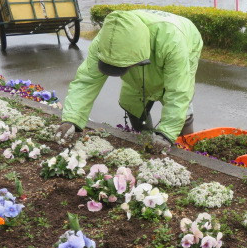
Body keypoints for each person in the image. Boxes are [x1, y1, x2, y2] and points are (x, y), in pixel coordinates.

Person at [56, 9, 203, 151]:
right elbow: (86, 81)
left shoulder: (173, 42)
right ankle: (145, 135)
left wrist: (167, 134)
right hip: (147, 49)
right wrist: (71, 120)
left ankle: (186, 146)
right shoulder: (105, 40)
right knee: (132, 100)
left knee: (180, 102)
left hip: (185, 38)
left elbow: (178, 91)